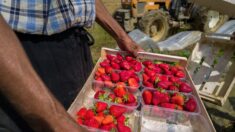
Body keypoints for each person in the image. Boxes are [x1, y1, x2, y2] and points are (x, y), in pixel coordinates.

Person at [0, 0, 143, 132]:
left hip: (73, 45)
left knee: (80, 113)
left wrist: (120, 35)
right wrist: (57, 120)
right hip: (19, 54)